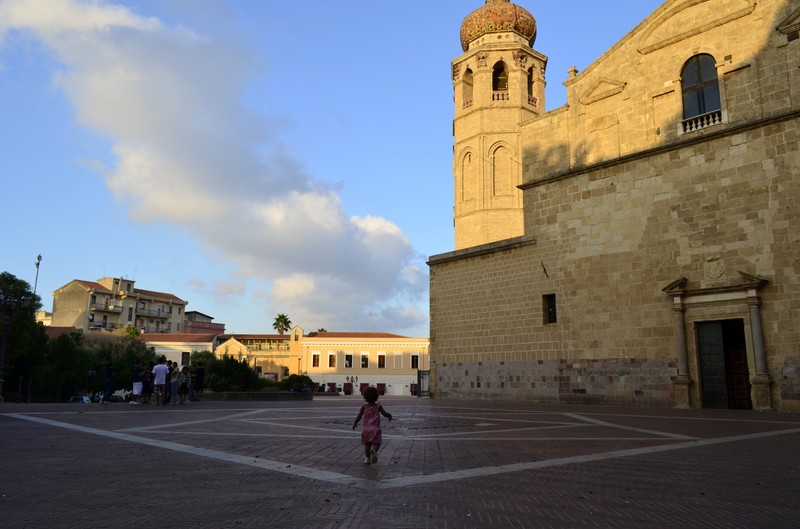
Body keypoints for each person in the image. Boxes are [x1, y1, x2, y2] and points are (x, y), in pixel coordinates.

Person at [352, 386, 392, 464]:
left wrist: (355, 423)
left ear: (365, 397)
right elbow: (384, 414)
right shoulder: (378, 406)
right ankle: (374, 450)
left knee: (367, 444)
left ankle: (367, 459)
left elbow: (359, 416)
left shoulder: (364, 407)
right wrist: (389, 416)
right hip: (375, 429)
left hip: (365, 429)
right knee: (377, 443)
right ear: (376, 397)